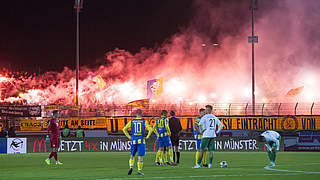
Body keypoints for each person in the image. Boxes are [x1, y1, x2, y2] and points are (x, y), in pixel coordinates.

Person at [123, 109, 153, 175]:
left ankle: (131, 167)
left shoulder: (132, 121)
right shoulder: (144, 122)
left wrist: (129, 137)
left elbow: (124, 129)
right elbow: (151, 129)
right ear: (141, 114)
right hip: (141, 141)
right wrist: (147, 136)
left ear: (136, 114)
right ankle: (139, 171)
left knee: (132, 155)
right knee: (140, 156)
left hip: (134, 140)